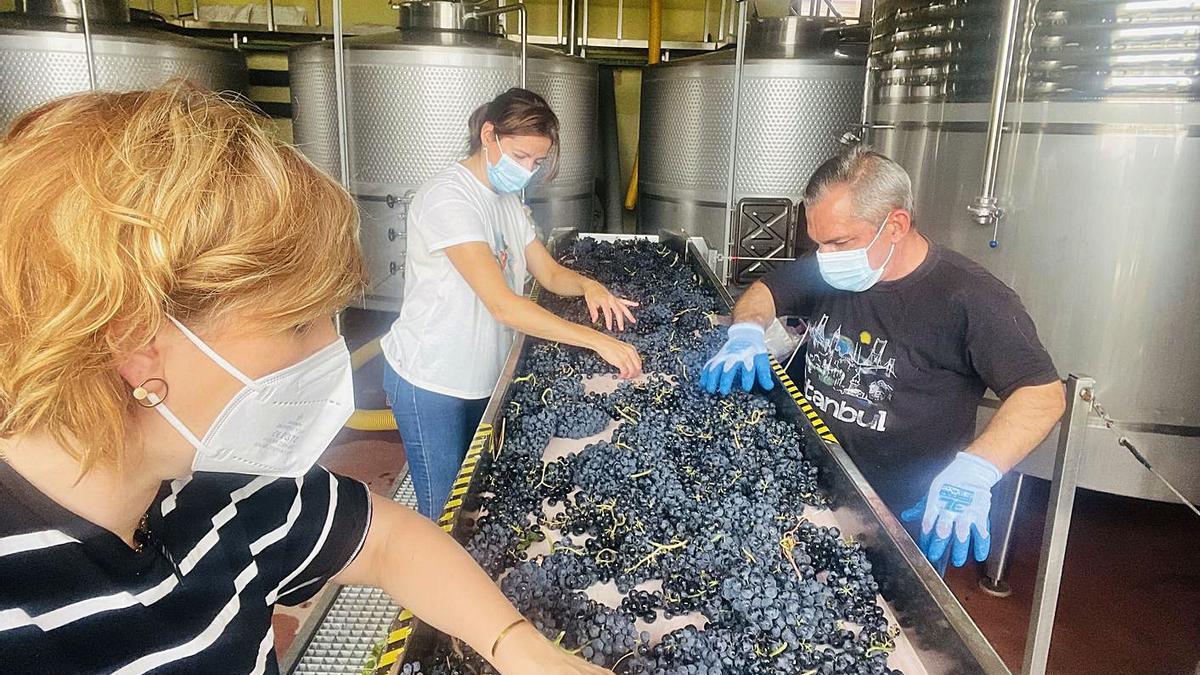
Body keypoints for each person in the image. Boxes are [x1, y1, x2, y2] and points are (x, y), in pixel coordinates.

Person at [0, 83, 611, 675]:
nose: (332, 352)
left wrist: (525, 650)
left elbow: (386, 539)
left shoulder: (223, 489)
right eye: (297, 324)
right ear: (138, 344)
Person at [700, 146, 1066, 570]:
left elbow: (1041, 394)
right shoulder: (829, 267)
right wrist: (746, 329)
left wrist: (977, 468)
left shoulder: (971, 299)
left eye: (840, 241)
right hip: (807, 484)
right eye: (819, 243)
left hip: (899, 512)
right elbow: (767, 290)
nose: (826, 257)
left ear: (895, 225)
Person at [381, 88, 641, 519]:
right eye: (520, 157)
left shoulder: (506, 202)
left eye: (537, 162)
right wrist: (595, 341)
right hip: (432, 381)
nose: (527, 171)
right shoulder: (449, 198)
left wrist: (589, 286)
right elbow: (502, 304)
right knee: (443, 514)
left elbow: (549, 273)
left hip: (484, 377)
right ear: (489, 135)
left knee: (473, 503)